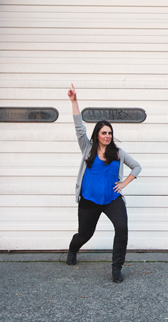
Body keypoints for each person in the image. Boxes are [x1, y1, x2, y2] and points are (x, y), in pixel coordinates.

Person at [66, 84, 141, 283]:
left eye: (110, 133)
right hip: (89, 200)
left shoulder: (118, 153)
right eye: (104, 133)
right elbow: (79, 127)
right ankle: (73, 248)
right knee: (85, 234)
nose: (107, 136)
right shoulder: (87, 148)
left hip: (111, 199)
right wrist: (74, 101)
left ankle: (117, 269)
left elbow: (137, 167)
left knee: (122, 228)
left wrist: (124, 183)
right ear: (97, 135)